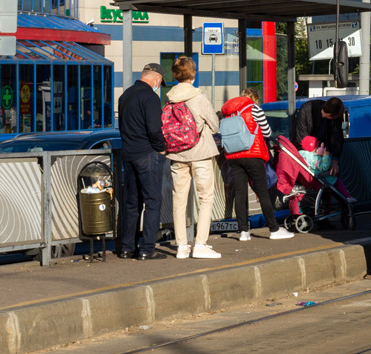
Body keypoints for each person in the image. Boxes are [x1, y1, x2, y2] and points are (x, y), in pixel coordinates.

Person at [165, 56, 222, 259]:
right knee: (205, 198)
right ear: (193, 73)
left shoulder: (169, 97)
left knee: (179, 200)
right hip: (200, 154)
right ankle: (200, 244)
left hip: (177, 154)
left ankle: (181, 246)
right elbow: (215, 126)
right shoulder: (199, 97)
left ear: (175, 74)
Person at [220, 88, 293, 243]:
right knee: (263, 192)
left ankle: (243, 232)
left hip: (233, 155)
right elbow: (267, 132)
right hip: (253, 154)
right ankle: (274, 229)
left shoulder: (229, 111)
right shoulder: (254, 109)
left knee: (240, 193)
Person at [116, 63, 167, 260]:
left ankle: (127, 248)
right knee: (153, 201)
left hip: (128, 154)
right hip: (147, 154)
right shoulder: (151, 97)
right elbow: (154, 129)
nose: (159, 86)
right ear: (156, 79)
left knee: (132, 203)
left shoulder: (125, 95)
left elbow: (122, 126)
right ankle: (147, 248)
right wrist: (161, 147)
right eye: (160, 82)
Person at [291, 97, 346, 175]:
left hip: (322, 155)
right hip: (308, 156)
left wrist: (335, 160)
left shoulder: (334, 117)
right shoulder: (307, 110)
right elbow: (302, 139)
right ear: (331, 116)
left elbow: (337, 136)